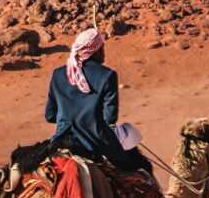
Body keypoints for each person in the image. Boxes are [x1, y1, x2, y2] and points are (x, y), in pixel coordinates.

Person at [45, 27, 151, 174]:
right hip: (96, 144)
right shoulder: (107, 75)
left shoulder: (58, 74)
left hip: (61, 141)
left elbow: (50, 115)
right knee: (139, 171)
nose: (104, 53)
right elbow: (110, 117)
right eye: (102, 48)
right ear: (96, 51)